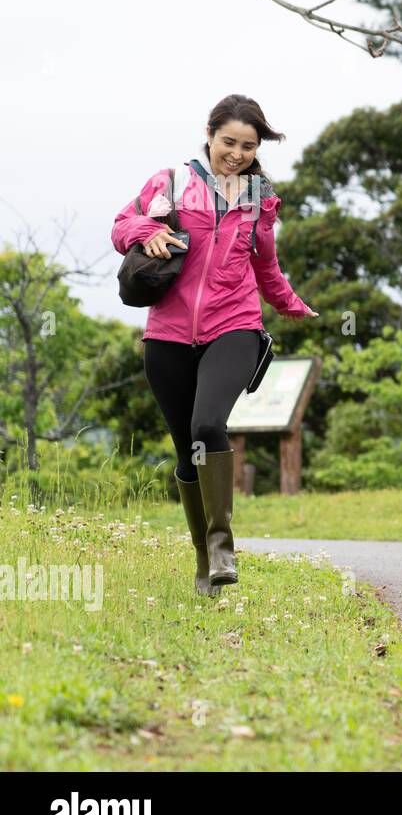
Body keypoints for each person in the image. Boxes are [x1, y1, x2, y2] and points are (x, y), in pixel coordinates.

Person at [110, 94, 317, 596]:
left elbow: (264, 264)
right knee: (187, 452)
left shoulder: (260, 199)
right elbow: (121, 227)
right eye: (229, 142)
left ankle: (223, 545)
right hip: (169, 333)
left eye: (248, 146)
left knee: (208, 426)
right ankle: (205, 565)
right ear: (209, 133)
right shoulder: (172, 183)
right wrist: (148, 230)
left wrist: (289, 303)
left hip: (235, 325)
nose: (237, 153)